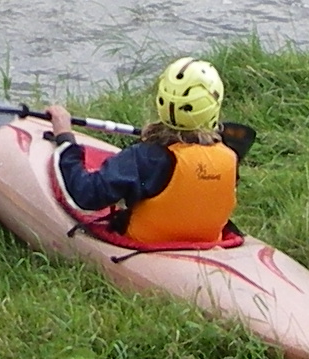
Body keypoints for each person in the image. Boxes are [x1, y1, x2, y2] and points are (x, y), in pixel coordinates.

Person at [46, 57, 237, 247]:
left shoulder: (146, 157)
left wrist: (65, 138)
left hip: (148, 245)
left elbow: (85, 194)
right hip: (209, 243)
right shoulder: (229, 157)